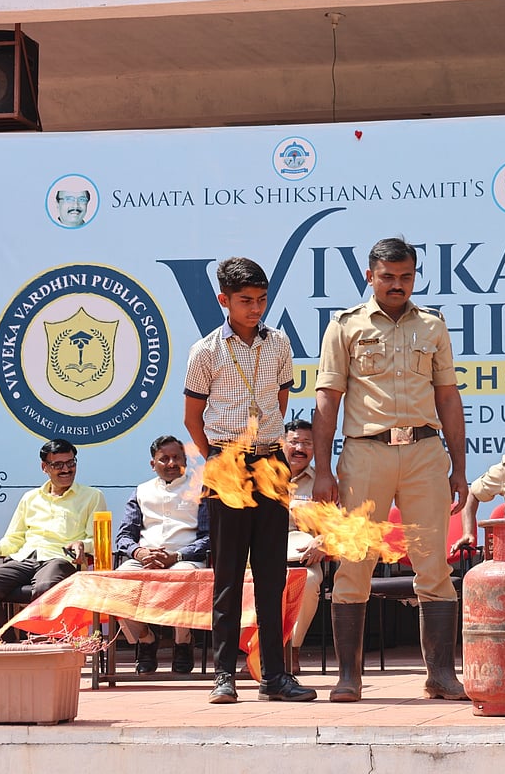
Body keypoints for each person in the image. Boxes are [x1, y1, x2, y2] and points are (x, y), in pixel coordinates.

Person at [313, 237, 469, 702]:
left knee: (433, 566)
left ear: (415, 275)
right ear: (369, 276)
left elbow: (447, 397)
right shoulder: (344, 327)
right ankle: (348, 678)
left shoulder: (433, 326)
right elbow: (327, 401)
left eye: (405, 276)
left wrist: (459, 467)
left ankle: (441, 675)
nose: (396, 284)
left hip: (424, 453)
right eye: (387, 276)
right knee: (354, 565)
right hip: (366, 453)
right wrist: (323, 471)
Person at [183, 256, 316, 704]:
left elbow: (279, 401)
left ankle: (274, 676)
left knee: (272, 573)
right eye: (245, 301)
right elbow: (192, 418)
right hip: (227, 463)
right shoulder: (205, 351)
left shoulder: (278, 344)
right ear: (224, 301)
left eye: (261, 300)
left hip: (272, 463)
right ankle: (224, 675)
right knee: (227, 573)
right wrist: (220, 460)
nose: (255, 308)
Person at [0, 438, 104, 643]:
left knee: (45, 587)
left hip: (59, 560)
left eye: (71, 463)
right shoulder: (30, 498)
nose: (66, 469)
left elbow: (98, 540)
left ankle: (42, 645)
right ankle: (8, 643)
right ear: (44, 467)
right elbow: (13, 539)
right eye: (58, 465)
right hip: (24, 559)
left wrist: (82, 545)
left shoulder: (92, 496)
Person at [113, 434, 209, 675]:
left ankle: (183, 641)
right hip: (145, 560)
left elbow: (211, 537)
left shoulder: (201, 489)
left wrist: (176, 557)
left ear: (186, 461)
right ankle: (146, 639)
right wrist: (140, 552)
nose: (171, 463)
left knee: (181, 578)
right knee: (115, 584)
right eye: (164, 458)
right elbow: (124, 537)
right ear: (152, 464)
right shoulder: (141, 491)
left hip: (185, 560)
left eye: (177, 457)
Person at [282, 419, 324, 672]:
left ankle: (292, 650)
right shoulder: (263, 477)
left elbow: (342, 523)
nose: (300, 448)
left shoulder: (323, 481)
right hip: (263, 557)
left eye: (307, 443)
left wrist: (323, 540)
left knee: (308, 582)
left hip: (305, 559)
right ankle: (261, 651)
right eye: (294, 442)